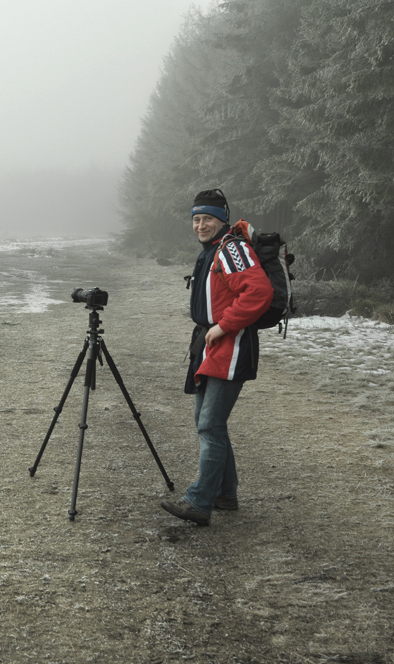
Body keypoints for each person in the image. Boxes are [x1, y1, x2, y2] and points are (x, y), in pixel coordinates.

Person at [161, 189, 273, 526]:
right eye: (196, 219)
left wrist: (223, 326)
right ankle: (226, 493)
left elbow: (259, 291)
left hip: (231, 344)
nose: (200, 225)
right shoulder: (214, 250)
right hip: (213, 343)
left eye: (207, 218)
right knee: (208, 422)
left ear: (222, 219)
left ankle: (199, 502)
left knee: (209, 423)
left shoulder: (232, 249)